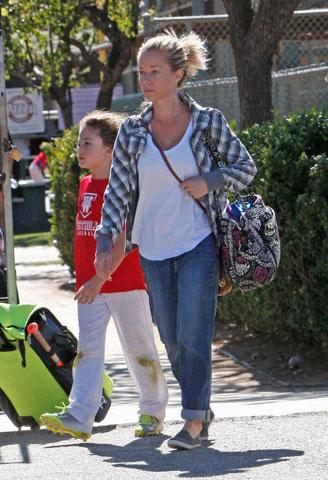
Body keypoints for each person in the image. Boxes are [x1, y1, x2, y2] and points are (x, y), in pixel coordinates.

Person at [94, 30, 256, 450]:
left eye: (154, 72)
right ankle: (200, 405)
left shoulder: (206, 122)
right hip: (152, 246)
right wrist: (104, 240)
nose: (145, 80)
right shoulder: (132, 131)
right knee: (170, 336)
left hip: (199, 240)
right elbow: (118, 190)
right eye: (141, 72)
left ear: (178, 75)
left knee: (194, 332)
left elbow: (245, 166)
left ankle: (194, 422)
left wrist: (210, 180)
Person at [39, 111, 168, 441]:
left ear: (111, 150)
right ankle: (80, 415)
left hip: (124, 283)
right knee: (88, 350)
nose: (79, 149)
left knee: (139, 347)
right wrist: (88, 279)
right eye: (79, 142)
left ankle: (152, 413)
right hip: (90, 287)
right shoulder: (85, 183)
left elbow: (123, 241)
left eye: (88, 143)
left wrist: (98, 280)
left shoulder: (123, 186)